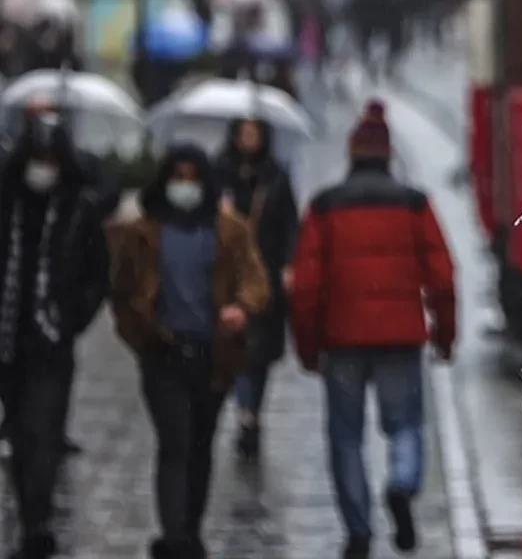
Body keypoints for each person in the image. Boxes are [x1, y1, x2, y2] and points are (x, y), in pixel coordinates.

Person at [289, 100, 456, 559]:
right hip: (401, 336)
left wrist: (307, 347)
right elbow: (443, 277)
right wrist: (445, 336)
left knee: (345, 437)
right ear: (388, 155)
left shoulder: (324, 207)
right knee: (406, 425)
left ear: (351, 154)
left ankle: (359, 530)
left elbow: (305, 287)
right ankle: (402, 483)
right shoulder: (414, 203)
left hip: (342, 341)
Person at [110, 145, 270, 559]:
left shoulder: (229, 230)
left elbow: (255, 279)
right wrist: (140, 336)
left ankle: (190, 529)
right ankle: (175, 535)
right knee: (175, 441)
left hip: (212, 355)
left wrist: (242, 308)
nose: (184, 186)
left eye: (191, 177)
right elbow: (122, 290)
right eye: (176, 177)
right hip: (162, 353)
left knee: (200, 443)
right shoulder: (144, 232)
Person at [0, 114, 108, 559]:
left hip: (50, 342)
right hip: (7, 340)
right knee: (21, 436)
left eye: (50, 159)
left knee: (43, 433)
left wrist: (71, 319)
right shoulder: (6, 203)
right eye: (37, 158)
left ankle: (36, 523)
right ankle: (29, 509)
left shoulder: (78, 210)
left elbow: (96, 275)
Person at [215, 118, 299, 460]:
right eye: (244, 133)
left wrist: (289, 265)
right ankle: (245, 414)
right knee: (238, 347)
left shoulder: (275, 175)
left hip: (265, 273)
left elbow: (290, 223)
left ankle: (252, 412)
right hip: (228, 275)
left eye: (255, 134)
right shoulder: (219, 172)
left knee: (259, 353)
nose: (249, 140)